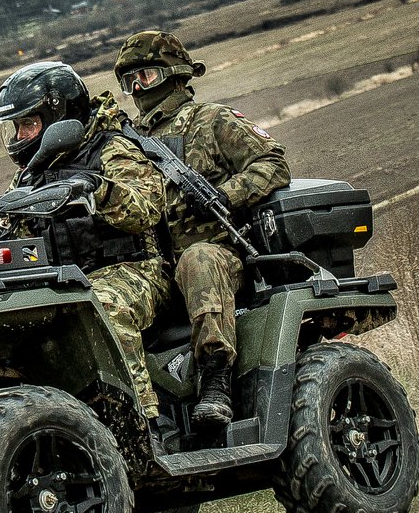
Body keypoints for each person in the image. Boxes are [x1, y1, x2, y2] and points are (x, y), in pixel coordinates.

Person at [112, 31, 289, 426]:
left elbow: (273, 163)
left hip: (220, 258)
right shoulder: (128, 142)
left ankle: (215, 380)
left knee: (198, 257)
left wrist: (225, 195)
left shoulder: (212, 120)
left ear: (174, 74)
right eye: (130, 81)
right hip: (158, 268)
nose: (139, 88)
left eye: (147, 76)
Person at [0, 61, 170, 419]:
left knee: (102, 308)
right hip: (64, 282)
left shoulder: (111, 149)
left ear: (59, 117)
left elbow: (147, 208)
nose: (21, 136)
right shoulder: (29, 176)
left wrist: (98, 189)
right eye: (17, 127)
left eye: (29, 124)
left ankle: (145, 421)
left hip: (131, 270)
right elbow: (10, 236)